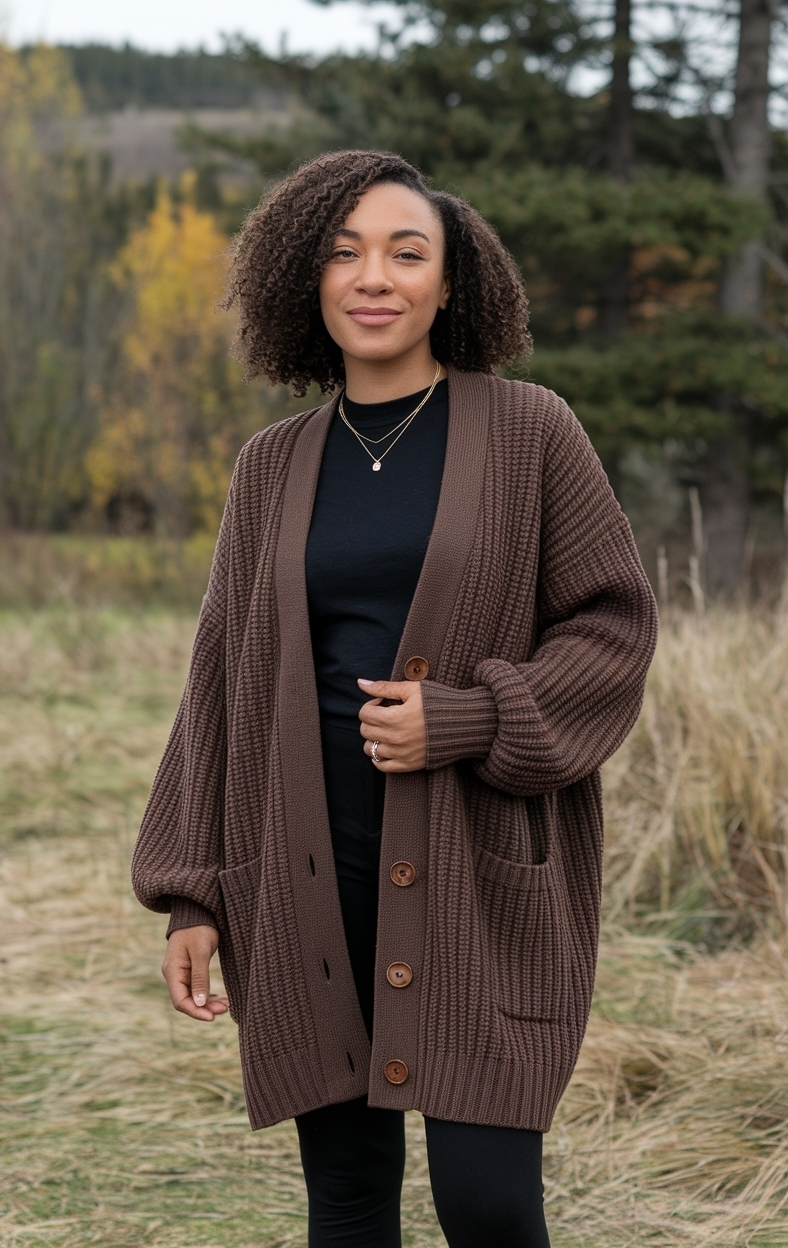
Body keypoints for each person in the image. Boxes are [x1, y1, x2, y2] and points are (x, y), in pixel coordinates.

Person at [132, 149, 657, 1247]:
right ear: (305, 281)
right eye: (343, 252)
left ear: (450, 283)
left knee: (490, 1206)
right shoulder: (268, 467)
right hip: (310, 873)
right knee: (350, 1198)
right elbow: (220, 680)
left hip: (478, 874)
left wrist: (467, 719)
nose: (373, 277)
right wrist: (190, 892)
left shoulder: (529, 432)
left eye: (405, 253)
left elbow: (613, 628)